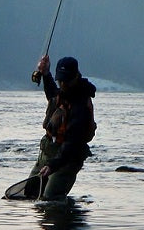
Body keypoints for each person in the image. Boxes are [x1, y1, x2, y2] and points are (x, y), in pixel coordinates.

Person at [28, 54, 97, 201]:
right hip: (49, 151)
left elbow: (71, 143)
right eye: (61, 81)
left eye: (66, 81)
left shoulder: (80, 105)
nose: (63, 84)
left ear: (75, 77)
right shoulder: (63, 92)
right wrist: (45, 74)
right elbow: (53, 95)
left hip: (69, 158)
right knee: (30, 192)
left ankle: (67, 218)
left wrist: (52, 166)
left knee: (50, 197)